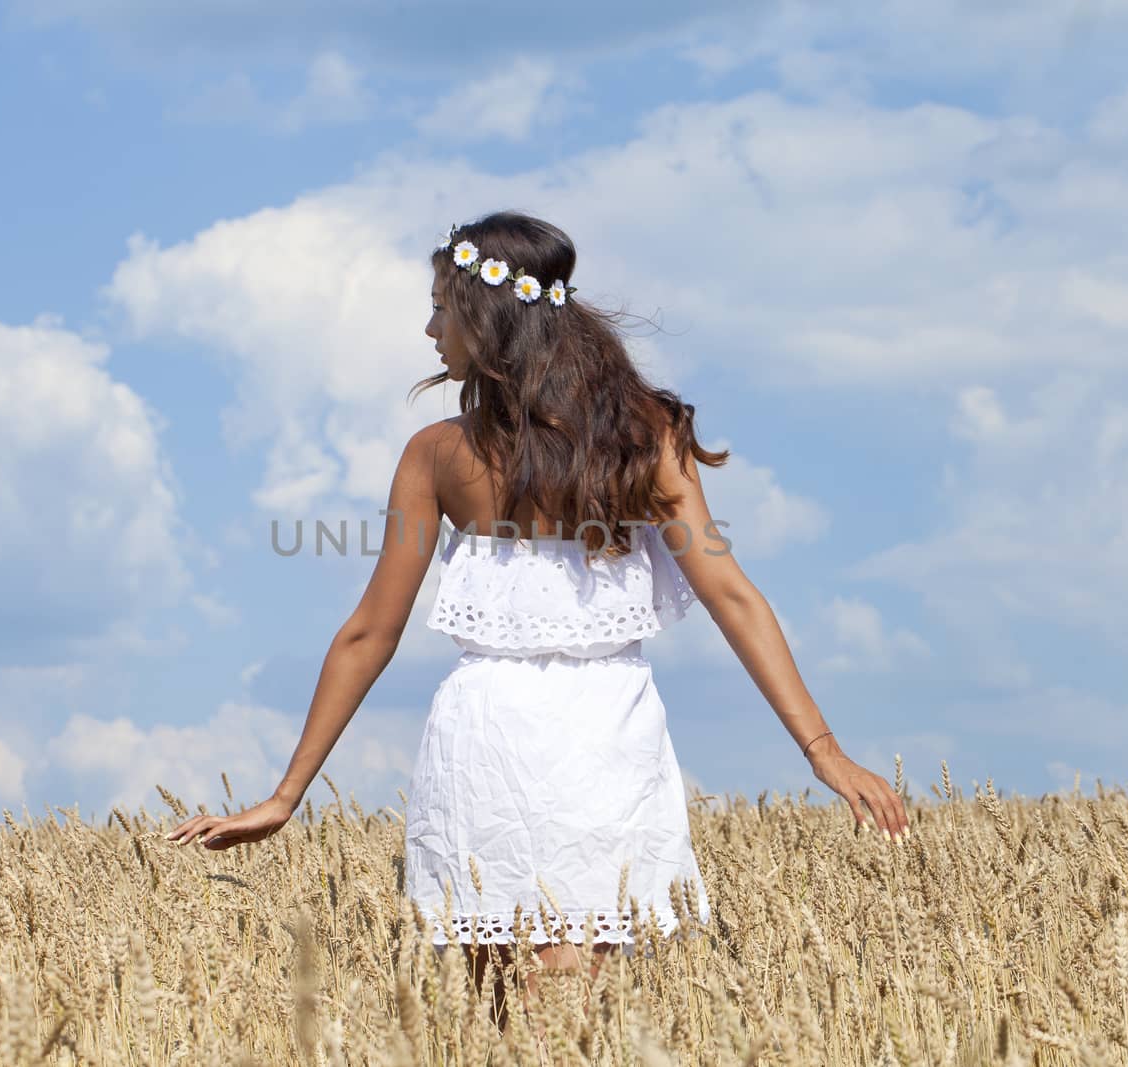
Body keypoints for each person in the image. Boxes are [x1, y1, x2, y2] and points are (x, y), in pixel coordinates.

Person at [165, 211, 910, 1038]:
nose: (430, 327)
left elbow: (369, 632)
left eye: (443, 306)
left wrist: (285, 793)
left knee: (519, 1021)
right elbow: (731, 592)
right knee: (549, 1021)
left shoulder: (438, 455)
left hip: (494, 737)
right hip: (599, 735)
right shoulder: (642, 439)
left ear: (488, 321)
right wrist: (823, 749)